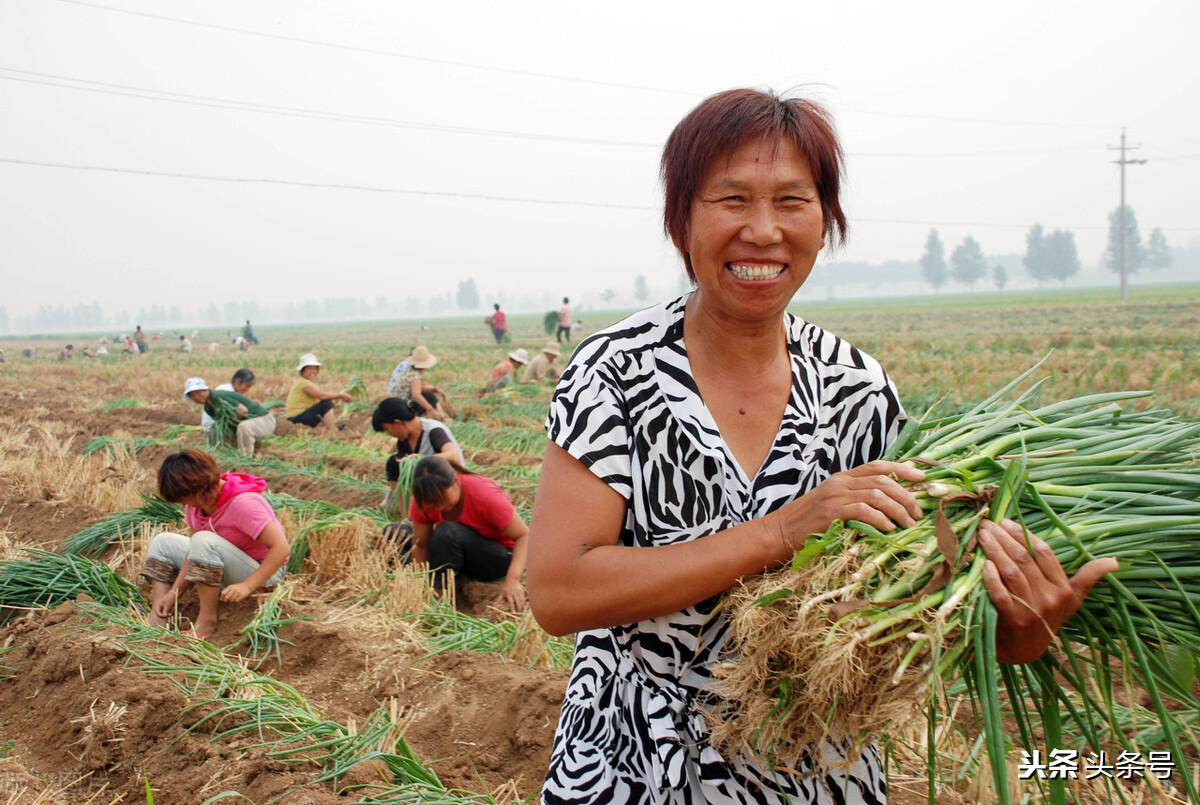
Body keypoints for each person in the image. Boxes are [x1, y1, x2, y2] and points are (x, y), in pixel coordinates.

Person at [525, 88, 1118, 804]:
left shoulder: (860, 392)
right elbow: (558, 591)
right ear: (681, 219)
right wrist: (781, 530)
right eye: (732, 199)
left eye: (793, 201)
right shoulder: (614, 372)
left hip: (814, 776)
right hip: (635, 771)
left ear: (827, 220)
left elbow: (906, 607)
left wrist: (1012, 631)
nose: (764, 230)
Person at [140, 449, 289, 640]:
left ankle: (206, 622)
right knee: (163, 542)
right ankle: (158, 618)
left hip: (265, 575)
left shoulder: (243, 503)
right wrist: (174, 594)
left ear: (203, 483)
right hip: (223, 561)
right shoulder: (195, 505)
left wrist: (246, 586)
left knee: (203, 540)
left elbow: (281, 548)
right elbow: (193, 551)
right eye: (184, 500)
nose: (189, 504)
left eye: (190, 496)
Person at [409, 456, 528, 612]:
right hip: (459, 549)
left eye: (443, 500)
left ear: (456, 482)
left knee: (447, 533)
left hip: (497, 557)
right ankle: (439, 583)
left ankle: (439, 599)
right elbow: (421, 544)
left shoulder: (484, 495)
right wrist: (420, 582)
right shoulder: (421, 501)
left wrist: (513, 580)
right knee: (396, 533)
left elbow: (524, 535)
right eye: (433, 504)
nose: (440, 507)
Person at [371, 397, 464, 513]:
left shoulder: (433, 431)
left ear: (397, 423)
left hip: (449, 483)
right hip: (428, 482)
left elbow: (454, 456)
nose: (390, 434)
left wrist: (423, 459)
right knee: (395, 463)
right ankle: (405, 514)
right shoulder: (404, 440)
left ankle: (409, 514)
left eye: (387, 429)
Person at [183, 376, 275, 455]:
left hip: (264, 420)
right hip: (252, 424)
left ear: (206, 389)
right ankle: (218, 454)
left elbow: (242, 410)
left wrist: (228, 423)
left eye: (198, 393)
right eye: (192, 396)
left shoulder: (218, 396)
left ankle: (245, 458)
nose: (196, 397)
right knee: (215, 429)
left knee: (243, 426)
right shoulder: (208, 407)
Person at [285, 353, 352, 432]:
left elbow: (323, 393)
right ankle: (332, 430)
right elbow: (321, 396)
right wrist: (340, 396)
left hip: (301, 416)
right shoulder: (303, 383)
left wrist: (340, 392)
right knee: (326, 403)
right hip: (297, 419)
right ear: (303, 370)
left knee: (325, 402)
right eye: (310, 368)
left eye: (315, 368)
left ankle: (331, 428)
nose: (313, 371)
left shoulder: (305, 382)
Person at [387, 345, 449, 420]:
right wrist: (430, 409)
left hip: (395, 403)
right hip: (401, 407)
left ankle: (439, 417)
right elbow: (416, 395)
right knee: (429, 398)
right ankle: (433, 419)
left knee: (429, 394)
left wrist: (434, 389)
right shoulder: (415, 376)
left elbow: (419, 388)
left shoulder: (409, 370)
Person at [199, 368, 260, 437]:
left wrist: (251, 404)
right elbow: (233, 413)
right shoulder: (225, 390)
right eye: (247, 386)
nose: (248, 389)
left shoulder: (233, 391)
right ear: (237, 381)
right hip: (214, 427)